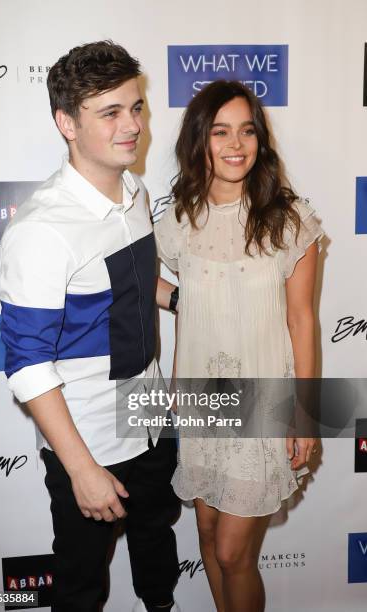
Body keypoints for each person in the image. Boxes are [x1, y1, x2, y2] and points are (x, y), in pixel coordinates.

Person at [0, 40, 181, 612]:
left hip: (151, 417)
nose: (133, 126)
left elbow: (130, 281)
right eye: (111, 113)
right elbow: (28, 365)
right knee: (80, 587)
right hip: (91, 443)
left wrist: (187, 301)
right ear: (66, 123)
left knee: (157, 552)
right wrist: (81, 470)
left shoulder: (134, 191)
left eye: (136, 107)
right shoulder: (41, 229)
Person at [154, 80, 323, 612]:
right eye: (220, 131)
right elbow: (185, 303)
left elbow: (303, 322)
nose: (235, 143)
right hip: (202, 402)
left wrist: (305, 413)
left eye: (247, 130)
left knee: (233, 554)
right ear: (199, 141)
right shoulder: (179, 220)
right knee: (206, 536)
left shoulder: (289, 222)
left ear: (260, 140)